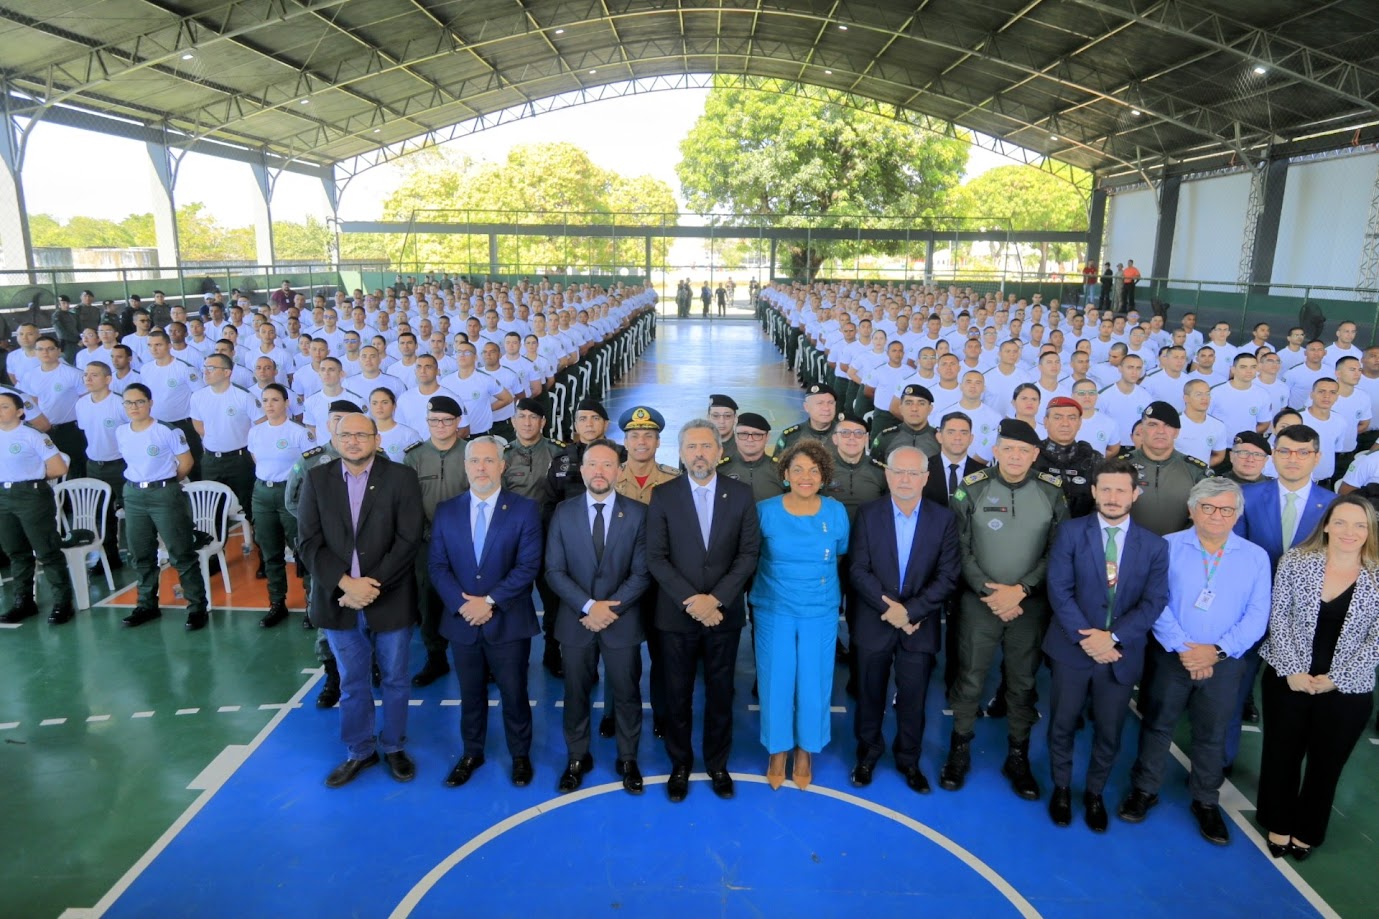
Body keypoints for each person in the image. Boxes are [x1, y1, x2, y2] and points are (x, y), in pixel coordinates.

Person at [1119, 478, 1270, 845]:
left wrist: (1215, 651)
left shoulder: (1255, 556)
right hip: (1172, 656)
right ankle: (1145, 789)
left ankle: (1205, 800)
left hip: (1225, 661)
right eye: (1207, 507)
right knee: (1157, 725)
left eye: (1226, 509)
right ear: (1192, 510)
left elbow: (1257, 614)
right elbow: (1155, 602)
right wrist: (1185, 648)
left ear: (1237, 515)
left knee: (1212, 733)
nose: (1216, 515)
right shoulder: (1166, 547)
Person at [942, 419, 1069, 799]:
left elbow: (1057, 551)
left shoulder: (1052, 493)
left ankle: (1018, 756)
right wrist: (988, 590)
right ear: (995, 450)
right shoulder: (972, 488)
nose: (1015, 456)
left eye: (1024, 451)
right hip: (978, 603)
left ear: (1035, 455)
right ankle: (959, 749)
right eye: (1008, 449)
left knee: (1023, 683)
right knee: (969, 680)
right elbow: (958, 547)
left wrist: (1021, 590)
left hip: (1028, 607)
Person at [297, 412, 424, 788]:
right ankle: (360, 751)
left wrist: (371, 585)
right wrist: (345, 584)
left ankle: (394, 745)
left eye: (362, 435)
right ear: (335, 440)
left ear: (377, 440)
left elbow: (409, 538)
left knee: (397, 679)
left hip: (389, 596)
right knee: (352, 681)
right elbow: (308, 542)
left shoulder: (401, 478)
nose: (353, 441)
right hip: (339, 600)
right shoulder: (316, 479)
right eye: (346, 435)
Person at [1044, 459, 1170, 831]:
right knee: (1062, 724)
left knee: (1109, 730)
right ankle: (1062, 788)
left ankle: (1095, 793)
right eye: (1106, 489)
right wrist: (1089, 638)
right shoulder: (1069, 533)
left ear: (1135, 494)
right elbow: (1059, 590)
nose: (1113, 497)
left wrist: (1112, 638)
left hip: (1120, 652)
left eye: (1121, 490)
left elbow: (1154, 601)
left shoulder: (1155, 546)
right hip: (1072, 649)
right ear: (1094, 491)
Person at [1257, 495, 1379, 860]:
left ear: (1370, 531)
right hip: (1289, 680)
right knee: (1281, 755)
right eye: (1341, 522)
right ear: (1326, 525)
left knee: (1327, 764)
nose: (1349, 532)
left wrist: (1336, 678)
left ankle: (1308, 829)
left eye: (1360, 525)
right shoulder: (1296, 561)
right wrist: (1293, 670)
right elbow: (1278, 616)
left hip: (1346, 690)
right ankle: (1277, 822)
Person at [646, 418, 761, 802]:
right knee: (677, 695)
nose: (699, 454)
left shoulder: (741, 494)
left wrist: (717, 599)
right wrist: (693, 601)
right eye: (692, 447)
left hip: (723, 616)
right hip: (677, 616)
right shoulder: (664, 496)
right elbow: (657, 558)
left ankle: (717, 763)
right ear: (680, 453)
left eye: (706, 446)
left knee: (720, 693)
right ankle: (680, 764)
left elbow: (748, 555)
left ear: (719, 451)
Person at [429, 436, 544, 789]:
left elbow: (528, 567)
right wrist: (464, 605)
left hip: (507, 622)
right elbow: (437, 565)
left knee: (514, 693)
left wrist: (489, 601)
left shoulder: (524, 510)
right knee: (470, 694)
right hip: (463, 622)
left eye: (489, 461)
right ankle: (472, 752)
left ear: (502, 466)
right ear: (465, 467)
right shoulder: (446, 511)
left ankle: (520, 755)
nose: (481, 467)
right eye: (475, 461)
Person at [848, 445, 959, 792]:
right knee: (869, 694)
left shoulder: (944, 519)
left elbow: (948, 576)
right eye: (899, 472)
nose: (905, 479)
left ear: (926, 478)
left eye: (913, 473)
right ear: (888, 475)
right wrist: (892, 611)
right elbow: (858, 569)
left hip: (919, 625)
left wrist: (911, 611)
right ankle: (867, 753)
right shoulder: (868, 514)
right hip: (875, 622)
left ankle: (908, 760)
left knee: (914, 698)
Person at [545, 439, 651, 795]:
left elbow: (641, 573)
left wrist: (608, 608)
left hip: (622, 623)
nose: (599, 472)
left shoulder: (638, 514)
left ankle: (628, 758)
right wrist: (589, 607)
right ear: (582, 469)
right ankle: (577, 756)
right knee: (576, 694)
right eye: (592, 465)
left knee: (626, 693)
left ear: (619, 471)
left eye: (608, 465)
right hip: (577, 622)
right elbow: (554, 571)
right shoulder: (563, 512)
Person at [750, 439, 850, 790]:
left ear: (824, 476)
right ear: (786, 474)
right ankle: (777, 751)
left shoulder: (836, 512)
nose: (806, 476)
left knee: (815, 682)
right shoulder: (765, 511)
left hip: (819, 611)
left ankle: (806, 751)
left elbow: (839, 553)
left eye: (814, 470)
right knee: (776, 681)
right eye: (798, 470)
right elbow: (752, 556)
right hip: (774, 609)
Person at [115, 383, 210, 631]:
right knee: (141, 553)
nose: (134, 407)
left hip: (164, 494)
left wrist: (165, 482)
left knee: (181, 552)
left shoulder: (167, 430)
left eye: (139, 402)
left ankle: (197, 607)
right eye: (128, 403)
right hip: (134, 494)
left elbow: (186, 462)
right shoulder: (122, 432)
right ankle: (146, 604)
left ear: (150, 403)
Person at [0, 392, 74, 625]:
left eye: (4, 406)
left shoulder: (32, 435)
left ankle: (63, 602)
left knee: (46, 550)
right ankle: (23, 601)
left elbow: (58, 467)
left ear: (20, 412)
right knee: (16, 551)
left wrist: (31, 477)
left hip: (31, 495)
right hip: (3, 496)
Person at [247, 383, 313, 628]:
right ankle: (277, 602)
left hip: (291, 494)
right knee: (269, 551)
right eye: (265, 400)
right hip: (263, 493)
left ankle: (312, 603)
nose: (270, 405)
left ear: (286, 402)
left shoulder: (299, 432)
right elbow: (257, 460)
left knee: (301, 550)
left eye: (275, 400)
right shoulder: (255, 432)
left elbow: (309, 466)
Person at [1125, 402, 1212, 536]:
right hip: (1130, 547)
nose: (1160, 431)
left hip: (1180, 549)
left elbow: (1208, 513)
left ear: (1176, 432)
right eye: (1153, 424)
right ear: (1142, 430)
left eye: (1168, 425)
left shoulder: (1196, 471)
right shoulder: (1119, 466)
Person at [717, 412, 784, 502]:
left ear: (767, 437)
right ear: (735, 436)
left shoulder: (781, 470)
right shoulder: (720, 470)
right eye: (743, 434)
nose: (750, 439)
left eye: (757, 435)